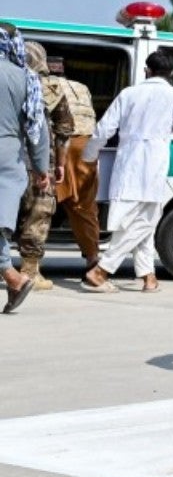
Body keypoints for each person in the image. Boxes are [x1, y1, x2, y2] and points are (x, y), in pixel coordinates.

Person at [80, 50, 173, 292]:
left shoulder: (128, 94)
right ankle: (101, 271)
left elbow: (104, 128)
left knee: (137, 223)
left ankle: (149, 278)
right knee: (146, 222)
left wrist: (89, 155)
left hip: (127, 164)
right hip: (153, 166)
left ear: (146, 70)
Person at [13, 42, 75, 295]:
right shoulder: (50, 87)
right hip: (40, 165)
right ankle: (29, 271)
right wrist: (60, 164)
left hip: (8, 161)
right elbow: (64, 130)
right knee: (37, 215)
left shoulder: (8, 81)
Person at [0, 25, 50, 312]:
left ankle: (13, 278)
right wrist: (41, 169)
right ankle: (13, 278)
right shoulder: (27, 78)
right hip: (11, 160)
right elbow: (38, 129)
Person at [47, 54, 101, 269]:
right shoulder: (82, 87)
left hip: (56, 144)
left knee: (39, 204)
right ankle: (92, 258)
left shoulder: (41, 84)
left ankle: (29, 264)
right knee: (84, 206)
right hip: (85, 145)